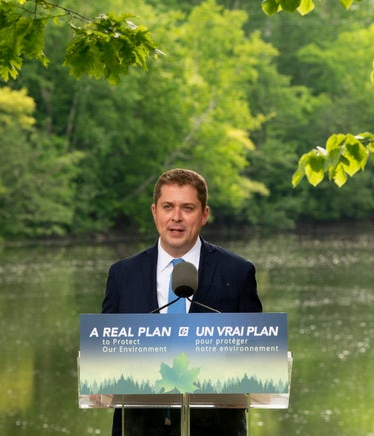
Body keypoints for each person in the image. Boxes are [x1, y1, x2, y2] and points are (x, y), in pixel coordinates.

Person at [102, 168, 263, 436]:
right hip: (138, 428)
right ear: (155, 212)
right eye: (168, 206)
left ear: (204, 215)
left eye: (187, 208)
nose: (176, 217)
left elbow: (256, 354)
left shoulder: (237, 272)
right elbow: (105, 354)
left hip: (216, 429)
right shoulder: (122, 275)